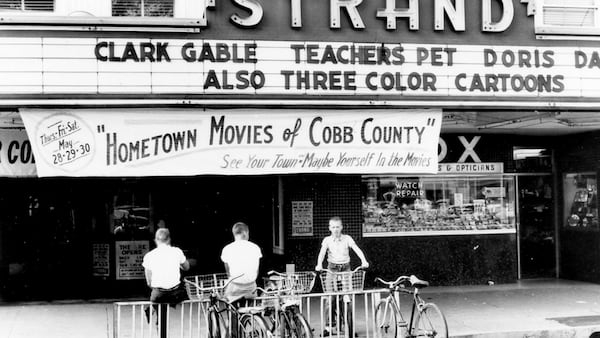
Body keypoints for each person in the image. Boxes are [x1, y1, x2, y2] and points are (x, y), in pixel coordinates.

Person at [315, 216, 369, 336]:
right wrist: (319, 264)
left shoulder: (347, 238)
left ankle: (349, 327)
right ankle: (329, 327)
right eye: (333, 227)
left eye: (338, 227)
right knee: (330, 298)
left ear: (342, 227)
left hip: (345, 268)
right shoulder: (327, 240)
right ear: (330, 228)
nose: (336, 229)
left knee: (347, 298)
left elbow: (356, 249)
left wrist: (364, 260)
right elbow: (322, 253)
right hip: (332, 269)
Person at [142, 228, 190, 337]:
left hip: (158, 293)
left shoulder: (149, 255)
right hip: (175, 292)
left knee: (158, 300)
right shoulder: (177, 251)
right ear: (169, 239)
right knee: (183, 293)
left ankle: (153, 310)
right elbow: (187, 267)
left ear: (155, 240)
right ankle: (156, 308)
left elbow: (149, 281)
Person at [221, 222, 263, 303]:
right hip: (251, 287)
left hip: (235, 287)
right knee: (252, 307)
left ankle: (233, 314)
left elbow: (228, 271)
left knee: (227, 301)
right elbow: (256, 269)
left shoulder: (227, 249)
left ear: (234, 233)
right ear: (246, 233)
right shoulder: (255, 247)